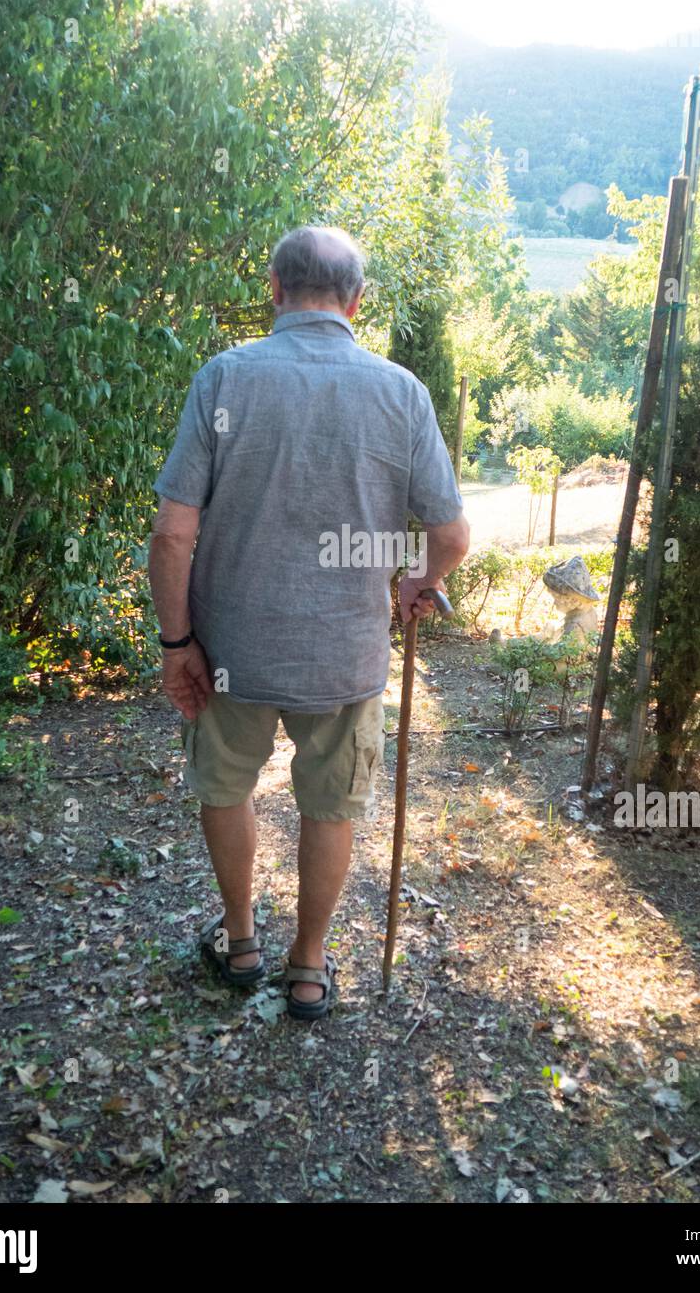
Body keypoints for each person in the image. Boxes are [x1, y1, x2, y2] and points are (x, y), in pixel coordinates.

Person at [148, 225, 470, 1019]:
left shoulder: (225, 378)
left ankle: (240, 941)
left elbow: (171, 532)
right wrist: (422, 581)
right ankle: (308, 965)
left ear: (274, 288)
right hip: (344, 655)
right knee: (331, 805)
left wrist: (176, 643)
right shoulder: (400, 393)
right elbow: (452, 533)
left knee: (225, 786)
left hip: (231, 652)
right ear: (356, 302)